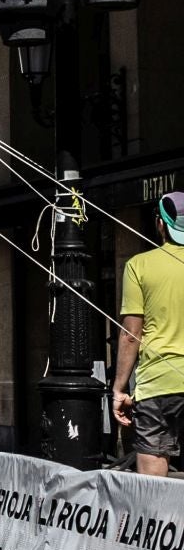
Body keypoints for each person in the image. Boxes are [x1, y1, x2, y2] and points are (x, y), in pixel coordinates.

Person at [114, 193, 184, 475]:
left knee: (153, 492)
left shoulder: (139, 266)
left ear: (160, 224)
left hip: (158, 386)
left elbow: (131, 335)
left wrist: (119, 388)